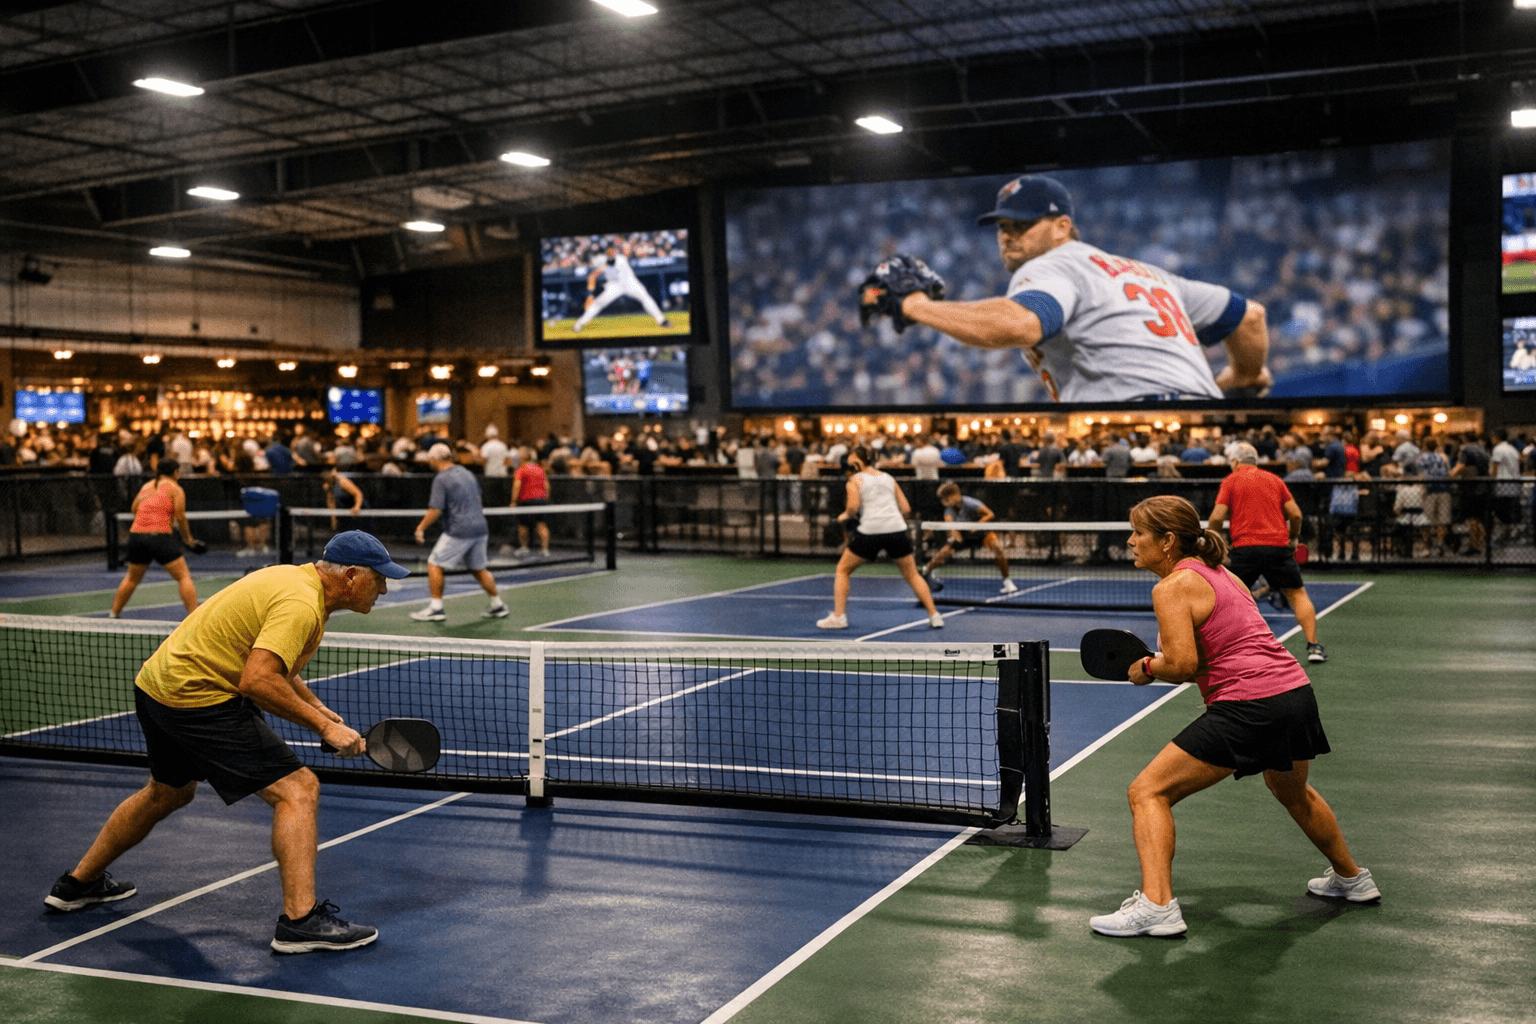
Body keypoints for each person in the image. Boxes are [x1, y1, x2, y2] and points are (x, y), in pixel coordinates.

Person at [45, 531, 411, 953]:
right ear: (350, 575)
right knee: (298, 789)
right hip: (197, 697)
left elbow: (276, 663)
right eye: (379, 578)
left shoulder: (296, 583)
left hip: (157, 685)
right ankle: (300, 922)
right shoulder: (301, 604)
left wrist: (317, 708)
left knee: (167, 793)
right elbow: (256, 680)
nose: (384, 588)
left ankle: (77, 884)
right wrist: (324, 729)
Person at [1088, 495, 1377, 938]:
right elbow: (1208, 658)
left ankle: (1157, 906)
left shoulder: (1170, 588)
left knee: (1148, 792)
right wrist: (1159, 662)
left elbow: (1182, 666)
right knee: (1291, 789)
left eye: (1139, 533)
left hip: (1250, 704)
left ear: (1166, 541)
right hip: (1294, 693)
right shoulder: (1224, 575)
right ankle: (1352, 879)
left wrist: (1145, 668)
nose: (1130, 541)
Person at [893, 174, 1272, 403]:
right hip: (1205, 420)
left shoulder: (1052, 264)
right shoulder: (1150, 274)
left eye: (1022, 225)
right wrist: (1245, 374)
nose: (1008, 236)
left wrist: (916, 306)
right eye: (1002, 227)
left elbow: (1020, 325)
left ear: (1062, 226)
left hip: (1127, 422)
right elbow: (1250, 317)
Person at [1205, 442, 1328, 664]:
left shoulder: (1231, 480)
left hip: (1244, 549)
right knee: (1297, 594)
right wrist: (1293, 537)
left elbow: (1216, 517)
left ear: (1234, 461)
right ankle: (1314, 647)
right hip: (1277, 548)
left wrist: (1216, 543)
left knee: (1226, 598)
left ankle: (1221, 649)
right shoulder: (1274, 479)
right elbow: (1296, 515)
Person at [817, 445, 943, 630]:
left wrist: (842, 517)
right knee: (912, 574)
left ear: (857, 460)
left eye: (851, 455)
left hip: (870, 532)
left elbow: (852, 509)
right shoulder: (888, 478)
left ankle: (839, 617)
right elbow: (906, 509)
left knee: (842, 570)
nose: (849, 458)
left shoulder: (854, 480)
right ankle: (935, 615)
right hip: (896, 530)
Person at [411, 444, 508, 621]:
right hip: (480, 527)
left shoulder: (441, 479)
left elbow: (435, 509)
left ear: (434, 459)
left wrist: (420, 527)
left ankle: (436, 608)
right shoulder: (467, 473)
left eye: (430, 459)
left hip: (459, 530)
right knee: (478, 568)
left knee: (434, 564)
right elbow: (477, 499)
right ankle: (498, 604)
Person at [110, 458, 200, 619]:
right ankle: (194, 618)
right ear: (175, 472)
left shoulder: (146, 486)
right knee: (183, 576)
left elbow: (134, 508)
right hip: (160, 537)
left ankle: (113, 614)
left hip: (137, 537)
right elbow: (180, 515)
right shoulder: (176, 489)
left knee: (131, 578)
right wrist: (188, 538)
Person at [920, 481, 1018, 595]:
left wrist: (977, 524)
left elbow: (990, 514)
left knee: (998, 547)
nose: (943, 503)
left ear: (955, 495)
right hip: (964, 535)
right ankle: (925, 571)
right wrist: (953, 533)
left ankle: (1007, 582)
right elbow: (950, 524)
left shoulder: (970, 503)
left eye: (945, 499)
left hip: (980, 532)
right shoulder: (949, 510)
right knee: (943, 554)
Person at [571, 241, 670, 333]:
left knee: (645, 298)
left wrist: (590, 294)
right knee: (597, 304)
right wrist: (590, 295)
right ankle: (579, 324)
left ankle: (661, 320)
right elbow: (595, 273)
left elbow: (608, 261)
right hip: (615, 285)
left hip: (629, 282)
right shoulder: (599, 260)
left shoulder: (615, 257)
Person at [510, 446, 551, 558]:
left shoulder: (520, 470)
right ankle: (545, 550)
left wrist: (513, 501)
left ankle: (524, 548)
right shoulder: (540, 469)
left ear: (522, 458)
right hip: (541, 500)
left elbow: (516, 486)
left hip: (526, 501)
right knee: (542, 525)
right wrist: (545, 498)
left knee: (523, 526)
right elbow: (547, 485)